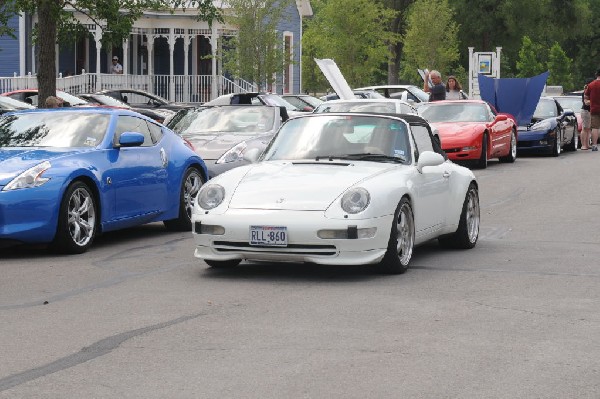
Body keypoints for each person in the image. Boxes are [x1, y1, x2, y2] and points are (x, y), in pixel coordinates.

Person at [584, 69, 600, 151]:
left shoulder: (591, 85)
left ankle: (594, 145)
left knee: (595, 128)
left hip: (595, 109)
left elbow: (586, 98)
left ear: (596, 74)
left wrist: (588, 102)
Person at [581, 79, 593, 150]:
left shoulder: (590, 91)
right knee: (585, 128)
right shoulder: (585, 92)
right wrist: (594, 101)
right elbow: (586, 102)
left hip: (589, 111)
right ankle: (583, 145)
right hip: (585, 111)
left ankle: (587, 144)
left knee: (588, 129)